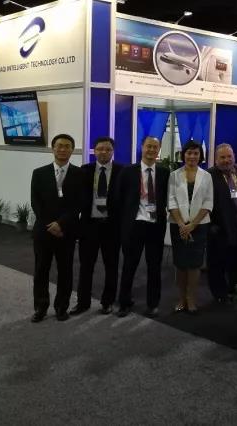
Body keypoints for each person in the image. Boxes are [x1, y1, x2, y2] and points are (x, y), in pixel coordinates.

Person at [30, 134, 84, 322]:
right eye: (59, 145)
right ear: (53, 148)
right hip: (43, 230)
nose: (63, 149)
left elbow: (79, 204)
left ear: (72, 150)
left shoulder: (80, 174)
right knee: (41, 270)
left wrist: (61, 224)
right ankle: (40, 307)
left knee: (65, 271)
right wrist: (50, 224)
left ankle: (62, 307)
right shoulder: (39, 173)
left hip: (66, 232)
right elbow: (35, 202)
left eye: (67, 146)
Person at [115, 136, 170, 318]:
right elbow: (119, 199)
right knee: (129, 265)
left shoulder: (164, 173)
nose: (151, 150)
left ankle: (153, 304)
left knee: (154, 267)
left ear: (159, 149)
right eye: (148, 146)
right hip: (134, 226)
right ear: (142, 147)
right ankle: (124, 302)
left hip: (155, 226)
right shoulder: (128, 171)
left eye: (155, 147)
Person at [70, 137, 124, 316]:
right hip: (89, 226)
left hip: (112, 227)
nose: (104, 152)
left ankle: (107, 302)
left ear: (113, 151)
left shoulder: (121, 171)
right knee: (86, 266)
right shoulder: (84, 170)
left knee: (111, 266)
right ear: (94, 151)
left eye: (108, 149)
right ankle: (82, 302)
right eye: (100, 149)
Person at [167, 140, 213, 314]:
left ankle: (191, 297)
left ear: (200, 156)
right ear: (183, 154)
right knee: (180, 264)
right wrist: (182, 224)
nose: (192, 156)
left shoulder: (206, 176)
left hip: (199, 226)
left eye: (196, 153)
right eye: (189, 153)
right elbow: (171, 201)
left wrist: (192, 224)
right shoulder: (174, 175)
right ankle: (181, 298)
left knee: (194, 264)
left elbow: (208, 202)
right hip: (178, 225)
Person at [207, 143, 237, 301]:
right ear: (216, 159)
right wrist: (211, 226)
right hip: (220, 229)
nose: (226, 160)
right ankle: (219, 294)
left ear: (234, 157)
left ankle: (235, 289)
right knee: (217, 263)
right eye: (222, 157)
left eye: (229, 156)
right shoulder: (209, 175)